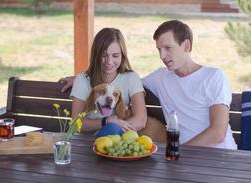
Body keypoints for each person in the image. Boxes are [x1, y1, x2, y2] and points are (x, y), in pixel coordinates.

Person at [60, 20, 237, 149]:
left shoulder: (214, 77)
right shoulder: (161, 77)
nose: (162, 55)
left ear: (186, 46)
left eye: (168, 48)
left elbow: (218, 133)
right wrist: (81, 78)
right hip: (182, 158)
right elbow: (118, 80)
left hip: (218, 155)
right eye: (159, 50)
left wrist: (177, 151)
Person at [65, 27, 147, 136]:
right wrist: (106, 122)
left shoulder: (131, 78)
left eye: (115, 56)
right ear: (96, 55)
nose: (109, 62)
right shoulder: (83, 80)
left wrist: (117, 127)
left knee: (112, 129)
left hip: (119, 139)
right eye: (104, 56)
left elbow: (140, 120)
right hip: (87, 143)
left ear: (123, 56)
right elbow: (75, 124)